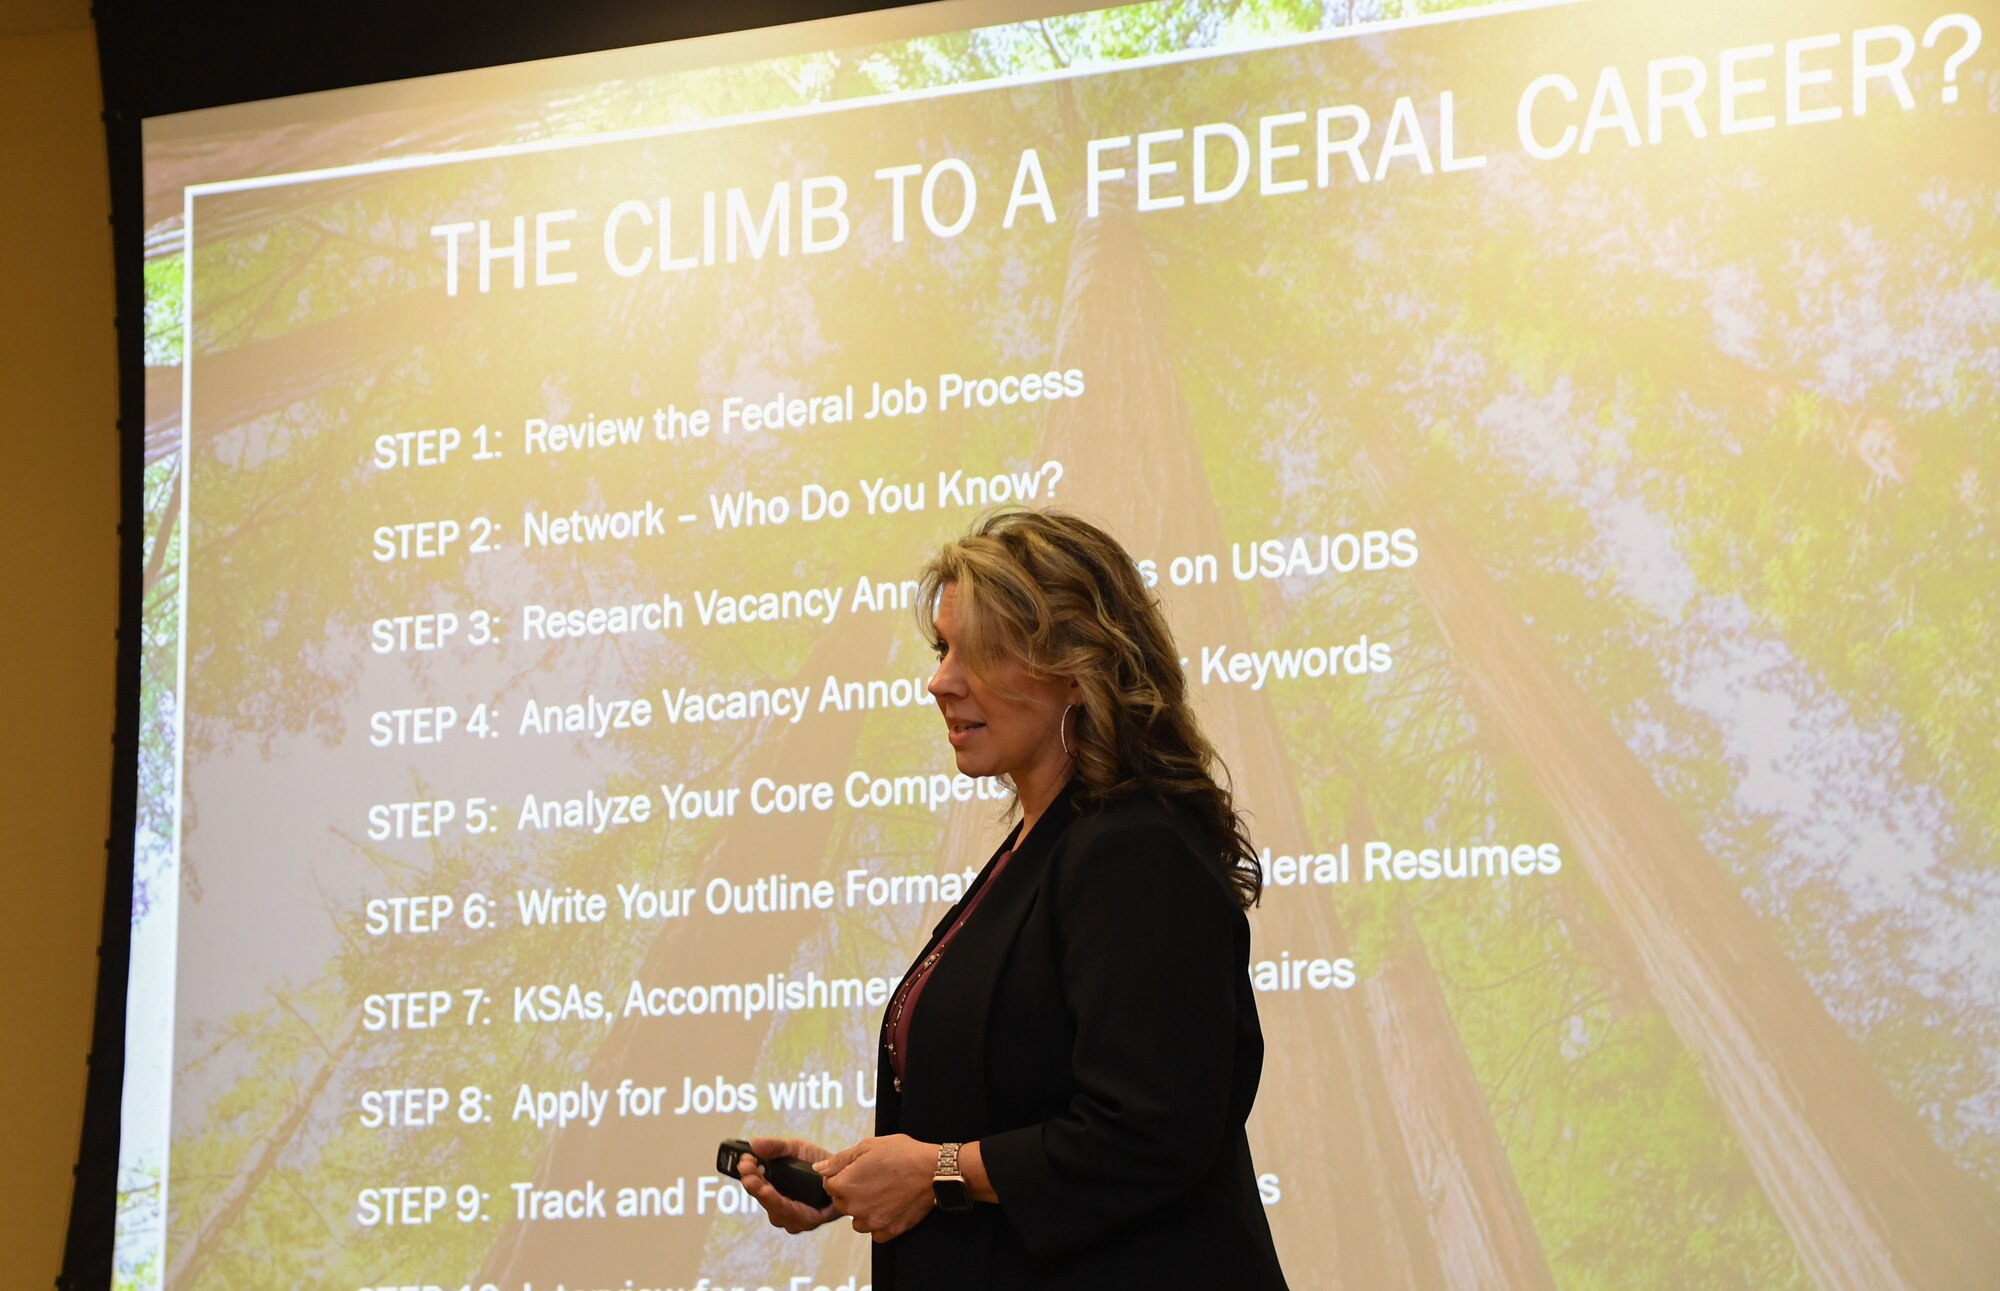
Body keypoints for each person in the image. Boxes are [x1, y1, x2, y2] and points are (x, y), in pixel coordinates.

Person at [735, 508, 1288, 1290]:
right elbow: (1011, 1106)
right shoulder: (1035, 851)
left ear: (1078, 664)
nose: (940, 680)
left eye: (979, 652)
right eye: (941, 648)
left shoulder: (1135, 847)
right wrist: (862, 1178)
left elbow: (1152, 1127)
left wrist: (936, 1170)